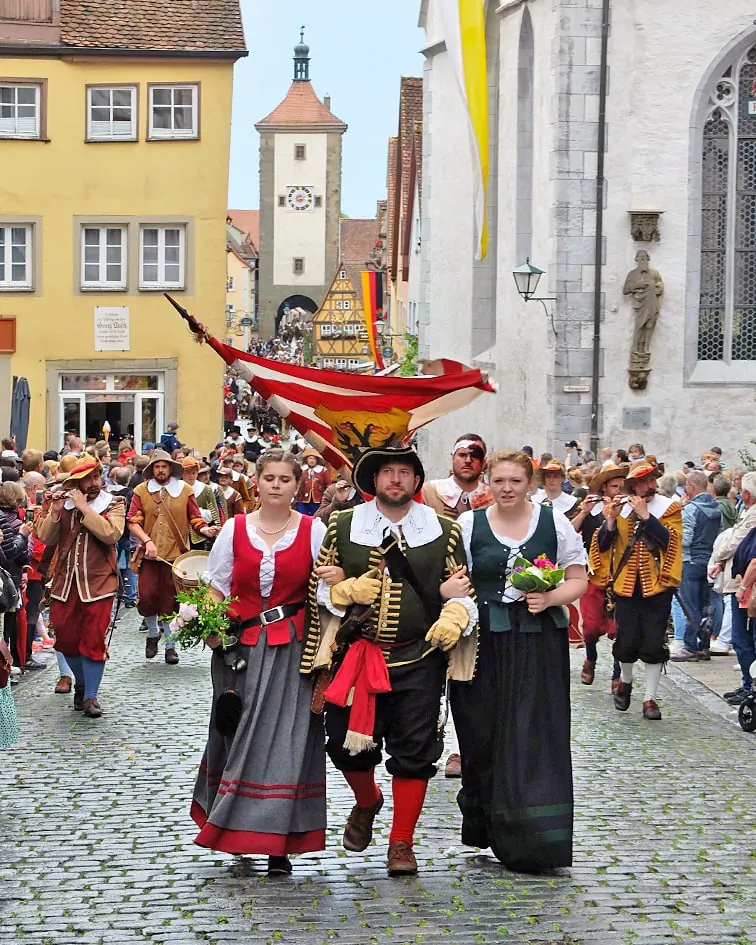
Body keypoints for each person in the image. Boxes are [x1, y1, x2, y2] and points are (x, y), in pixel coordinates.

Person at [301, 445, 477, 877]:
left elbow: (461, 589)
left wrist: (454, 616)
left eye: (404, 472)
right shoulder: (343, 524)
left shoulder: (444, 530)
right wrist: (345, 590)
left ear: (416, 481)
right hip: (355, 656)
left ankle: (402, 842)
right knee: (344, 747)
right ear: (374, 480)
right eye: (387, 472)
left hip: (419, 656)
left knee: (415, 753)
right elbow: (318, 589)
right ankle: (367, 800)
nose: (395, 479)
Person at [451, 450, 587, 873]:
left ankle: (534, 839)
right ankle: (489, 824)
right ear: (487, 483)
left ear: (530, 483)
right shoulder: (469, 524)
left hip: (538, 641)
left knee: (535, 732)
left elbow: (578, 578)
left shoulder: (554, 522)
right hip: (483, 642)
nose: (506, 488)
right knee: (481, 731)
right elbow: (453, 580)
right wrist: (452, 592)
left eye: (515, 481)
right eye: (499, 481)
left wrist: (549, 597)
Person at [192, 451, 327, 875]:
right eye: (269, 478)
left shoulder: (313, 530)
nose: (276, 485)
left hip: (293, 649)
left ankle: (277, 843)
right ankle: (235, 826)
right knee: (236, 733)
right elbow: (216, 586)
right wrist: (208, 622)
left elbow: (326, 589)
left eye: (285, 479)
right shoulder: (234, 529)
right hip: (239, 649)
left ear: (297, 485)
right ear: (257, 481)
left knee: (285, 739)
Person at [591, 460, 682, 720]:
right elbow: (603, 545)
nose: (650, 485)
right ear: (633, 486)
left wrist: (646, 517)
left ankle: (649, 698)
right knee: (626, 642)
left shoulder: (669, 507)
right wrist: (610, 520)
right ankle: (626, 681)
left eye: (652, 480)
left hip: (658, 586)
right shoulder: (620, 508)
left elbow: (670, 542)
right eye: (644, 482)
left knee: (654, 643)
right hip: (626, 587)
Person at [36, 457, 126, 718]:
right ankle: (82, 682)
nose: (94, 483)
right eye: (88, 479)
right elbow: (45, 537)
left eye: (96, 476)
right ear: (76, 483)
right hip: (65, 584)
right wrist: (54, 512)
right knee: (65, 640)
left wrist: (85, 508)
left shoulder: (114, 503)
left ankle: (90, 696)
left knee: (93, 640)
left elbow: (111, 534)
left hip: (99, 584)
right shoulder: (64, 505)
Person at [127, 450, 214, 665]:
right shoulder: (141, 491)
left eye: (164, 466)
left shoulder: (185, 490)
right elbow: (133, 521)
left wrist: (205, 530)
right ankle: (153, 633)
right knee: (146, 597)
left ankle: (170, 646)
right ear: (152, 470)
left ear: (170, 468)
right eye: (157, 467)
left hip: (176, 557)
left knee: (171, 601)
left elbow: (195, 518)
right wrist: (146, 540)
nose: (160, 470)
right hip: (149, 556)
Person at [570, 463, 629, 688]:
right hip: (593, 574)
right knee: (591, 626)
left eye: (622, 486)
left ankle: (617, 674)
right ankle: (591, 658)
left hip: (621, 575)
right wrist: (584, 511)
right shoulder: (592, 509)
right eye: (614, 486)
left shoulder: (628, 510)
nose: (618, 490)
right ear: (604, 488)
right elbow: (569, 532)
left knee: (619, 629)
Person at [711, 471, 756, 705]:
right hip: (742, 582)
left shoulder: (753, 515)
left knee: (743, 638)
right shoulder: (747, 511)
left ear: (747, 494)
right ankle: (748, 684)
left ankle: (751, 687)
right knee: (742, 638)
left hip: (746, 586)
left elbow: (736, 543)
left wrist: (719, 556)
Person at [671, 471, 722, 662]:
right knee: (706, 606)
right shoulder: (716, 508)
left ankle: (690, 646)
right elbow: (720, 535)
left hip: (690, 561)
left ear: (691, 487)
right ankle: (703, 645)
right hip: (709, 561)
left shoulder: (691, 509)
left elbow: (685, 539)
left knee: (690, 606)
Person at [0, 481, 32, 671]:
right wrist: (23, 536)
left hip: (9, 578)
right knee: (7, 625)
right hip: (8, 580)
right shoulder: (12, 521)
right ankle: (7, 665)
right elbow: (12, 553)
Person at [421, 434, 492, 518]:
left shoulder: (494, 497)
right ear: (453, 458)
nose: (468, 460)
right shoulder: (428, 492)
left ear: (483, 462)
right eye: (462, 455)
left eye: (475, 455)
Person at [181, 457, 221, 549]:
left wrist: (216, 531)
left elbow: (215, 514)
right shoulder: (176, 488)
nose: (191, 476)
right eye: (187, 473)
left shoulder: (206, 489)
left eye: (194, 473)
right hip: (181, 534)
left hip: (200, 536)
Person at [294, 448, 332, 516]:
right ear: (306, 459)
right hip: (302, 499)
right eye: (310, 458)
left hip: (318, 499)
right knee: (301, 516)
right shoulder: (301, 470)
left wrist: (326, 497)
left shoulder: (323, 470)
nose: (312, 460)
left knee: (315, 517)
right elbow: (296, 481)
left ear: (317, 460)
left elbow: (328, 485)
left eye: (314, 459)